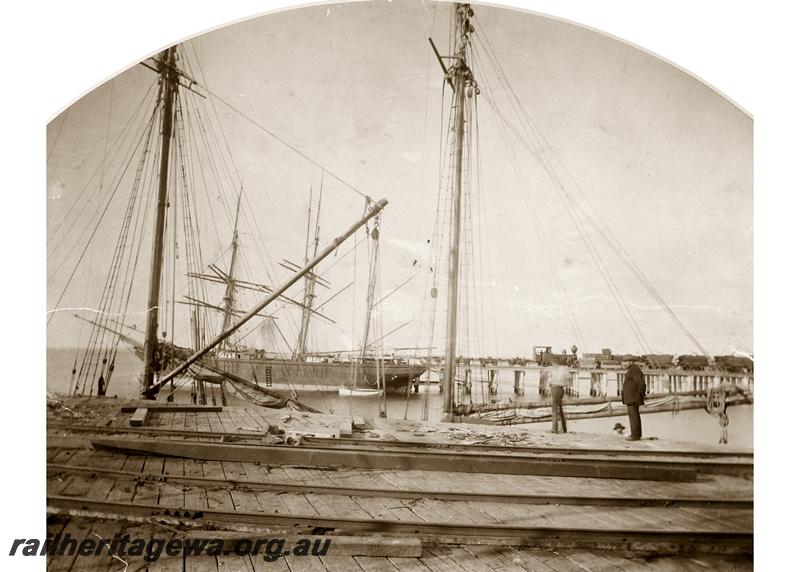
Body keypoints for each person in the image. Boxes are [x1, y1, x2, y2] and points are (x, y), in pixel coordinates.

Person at [622, 362, 646, 440]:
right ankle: (635, 434)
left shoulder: (635, 370)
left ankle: (635, 435)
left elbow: (641, 384)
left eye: (625, 362)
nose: (623, 364)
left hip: (633, 398)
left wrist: (638, 396)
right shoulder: (632, 370)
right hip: (631, 398)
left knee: (634, 416)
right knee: (633, 416)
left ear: (630, 362)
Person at [547, 366, 569, 433]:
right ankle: (564, 428)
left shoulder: (553, 371)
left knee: (554, 410)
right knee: (560, 409)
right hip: (561, 389)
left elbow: (549, 382)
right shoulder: (563, 370)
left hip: (555, 389)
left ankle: (555, 428)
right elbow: (566, 382)